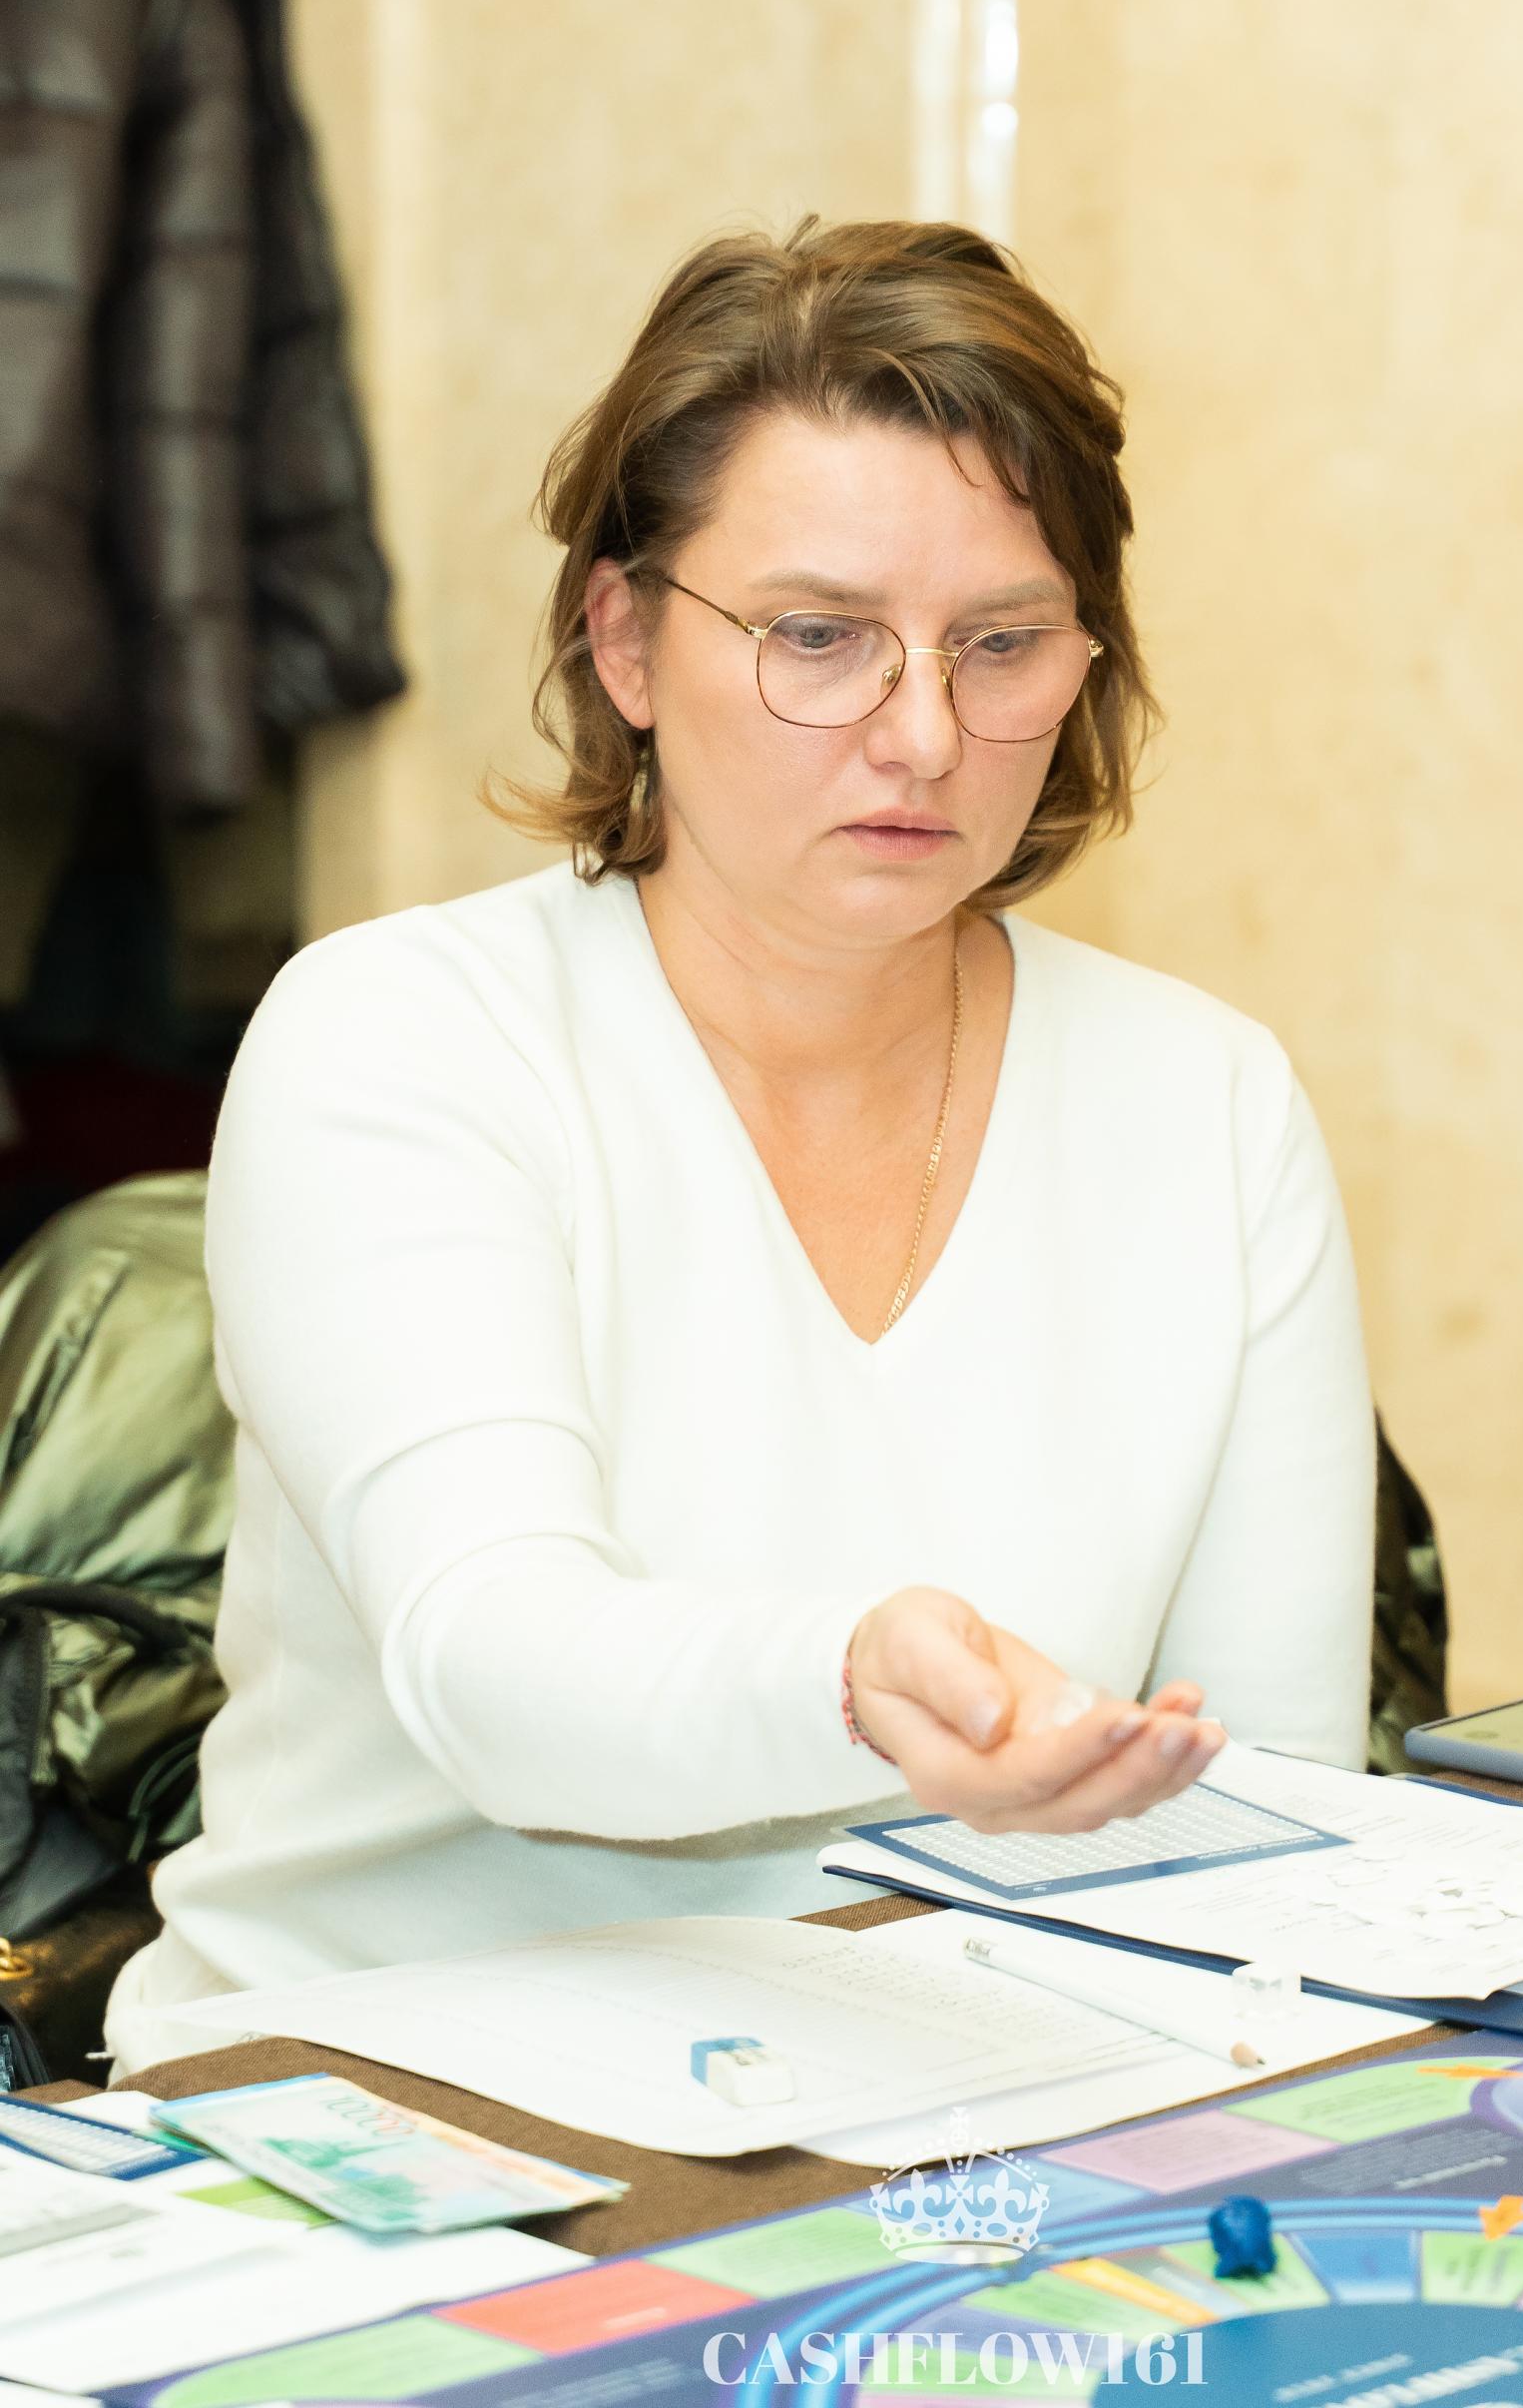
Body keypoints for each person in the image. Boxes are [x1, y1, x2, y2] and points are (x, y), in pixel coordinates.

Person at [106, 219, 1376, 2070]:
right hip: (382, 2114)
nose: (923, 733)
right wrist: (848, 1677)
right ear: (625, 639)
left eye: (1001, 643)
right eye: (820, 638)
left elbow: (1273, 1810)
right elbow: (494, 1666)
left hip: (963, 2104)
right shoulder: (400, 1036)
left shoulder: (1211, 1098)